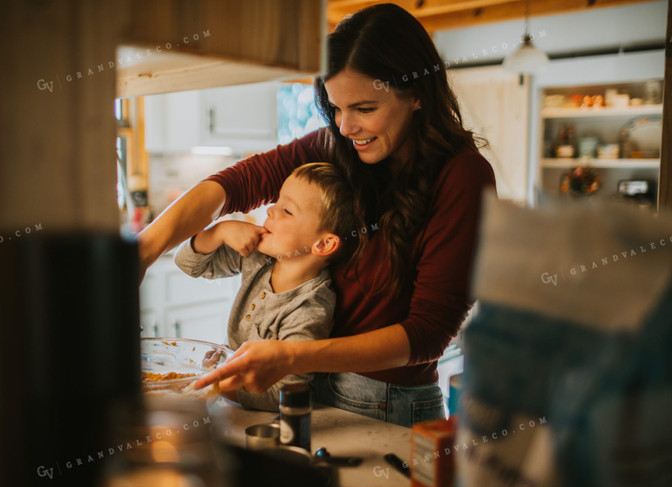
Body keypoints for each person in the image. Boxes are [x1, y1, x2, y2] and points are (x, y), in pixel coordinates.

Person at [139, 3, 497, 427]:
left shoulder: (462, 175)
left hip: (385, 402)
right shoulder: (338, 146)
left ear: (417, 93)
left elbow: (428, 333)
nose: (345, 127)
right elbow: (233, 185)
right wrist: (144, 249)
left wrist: (293, 354)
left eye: (364, 108)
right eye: (336, 109)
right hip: (306, 386)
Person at [174, 162, 358, 411]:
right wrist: (219, 231)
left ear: (324, 244)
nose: (271, 209)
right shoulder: (258, 257)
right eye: (277, 202)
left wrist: (211, 381)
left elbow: (281, 395)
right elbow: (187, 263)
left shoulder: (309, 307)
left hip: (267, 420)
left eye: (287, 210)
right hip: (234, 404)